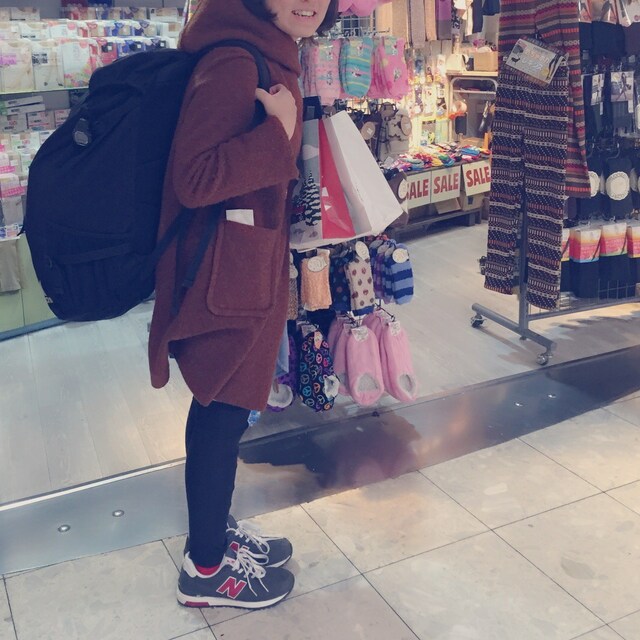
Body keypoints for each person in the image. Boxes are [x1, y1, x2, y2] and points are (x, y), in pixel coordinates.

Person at [148, 0, 338, 610]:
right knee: (220, 409)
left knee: (226, 412)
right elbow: (194, 177)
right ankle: (205, 567)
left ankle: (215, 533)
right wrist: (277, 132)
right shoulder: (234, 59)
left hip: (243, 263)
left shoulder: (268, 50)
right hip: (223, 274)